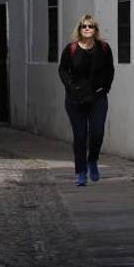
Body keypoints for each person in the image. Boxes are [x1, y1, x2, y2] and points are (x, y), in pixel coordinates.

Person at [58, 14, 114, 186]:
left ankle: (92, 160)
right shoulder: (71, 49)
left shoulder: (103, 48)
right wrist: (71, 87)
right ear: (80, 29)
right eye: (84, 26)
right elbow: (62, 70)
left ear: (95, 30)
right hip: (76, 99)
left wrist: (105, 88)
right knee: (80, 135)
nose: (87, 29)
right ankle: (81, 172)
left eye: (90, 26)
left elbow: (109, 70)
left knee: (97, 133)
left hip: (97, 97)